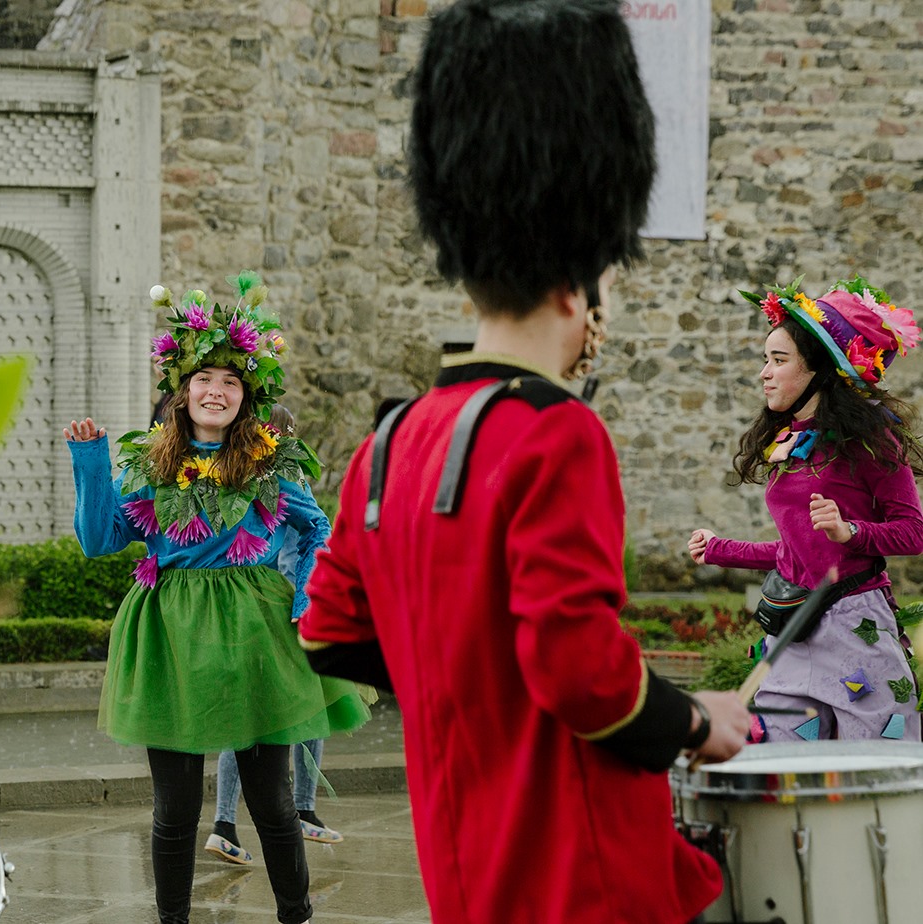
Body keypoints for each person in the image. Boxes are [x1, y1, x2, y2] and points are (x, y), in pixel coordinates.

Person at [293, 2, 750, 922]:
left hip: (463, 868)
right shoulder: (556, 433)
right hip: (584, 876)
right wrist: (699, 721)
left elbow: (327, 632)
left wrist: (475, 687)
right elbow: (578, 669)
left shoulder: (387, 444)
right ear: (581, 284)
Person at [64, 272, 369, 924]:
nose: (216, 391)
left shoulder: (270, 465)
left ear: (245, 397)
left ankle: (296, 916)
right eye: (205, 378)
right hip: (170, 636)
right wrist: (89, 461)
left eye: (231, 382)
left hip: (254, 632)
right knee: (175, 809)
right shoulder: (149, 465)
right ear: (183, 391)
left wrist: (306, 598)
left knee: (273, 803)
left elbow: (318, 529)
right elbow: (99, 539)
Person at [688, 276, 923, 742]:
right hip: (792, 629)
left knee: (878, 763)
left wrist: (851, 531)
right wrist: (719, 549)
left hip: (856, 629)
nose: (765, 373)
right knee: (778, 757)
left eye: (779, 360)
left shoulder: (872, 440)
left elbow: (914, 532)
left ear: (819, 370)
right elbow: (798, 552)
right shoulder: (788, 442)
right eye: (765, 360)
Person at [207, 405, 342, 868]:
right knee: (306, 708)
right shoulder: (281, 477)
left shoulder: (237, 474)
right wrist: (306, 602)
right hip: (281, 612)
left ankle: (225, 824)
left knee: (246, 719)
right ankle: (301, 810)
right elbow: (310, 540)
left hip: (253, 610)